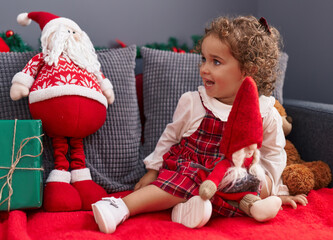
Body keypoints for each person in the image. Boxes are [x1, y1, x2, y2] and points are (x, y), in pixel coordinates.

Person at [92, 16, 308, 234]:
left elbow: (273, 154)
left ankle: (193, 209)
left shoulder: (266, 112)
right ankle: (121, 207)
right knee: (184, 182)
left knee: (256, 184)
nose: (204, 68)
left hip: (234, 176)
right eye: (203, 59)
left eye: (216, 62)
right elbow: (171, 136)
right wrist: (153, 170)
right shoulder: (194, 102)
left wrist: (273, 189)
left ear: (247, 71)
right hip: (194, 167)